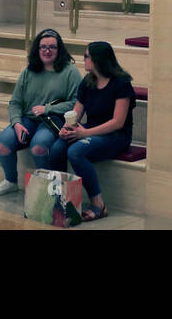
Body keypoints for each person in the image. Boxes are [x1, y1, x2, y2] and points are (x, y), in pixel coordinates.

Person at [0, 28, 82, 196]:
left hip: (53, 120)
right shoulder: (28, 72)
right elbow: (15, 102)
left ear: (59, 50)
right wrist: (16, 123)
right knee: (2, 145)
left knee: (39, 147)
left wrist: (48, 108)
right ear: (37, 50)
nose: (47, 51)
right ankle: (10, 181)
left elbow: (76, 103)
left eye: (52, 47)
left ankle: (47, 187)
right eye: (43, 47)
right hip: (27, 119)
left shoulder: (70, 72)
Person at [48, 41, 136, 222]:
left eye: (86, 56)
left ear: (97, 60)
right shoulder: (87, 82)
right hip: (92, 129)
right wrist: (66, 129)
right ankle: (60, 200)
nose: (84, 60)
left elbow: (118, 122)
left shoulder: (121, 84)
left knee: (76, 151)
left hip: (116, 135)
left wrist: (84, 134)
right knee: (57, 147)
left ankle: (98, 204)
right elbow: (76, 114)